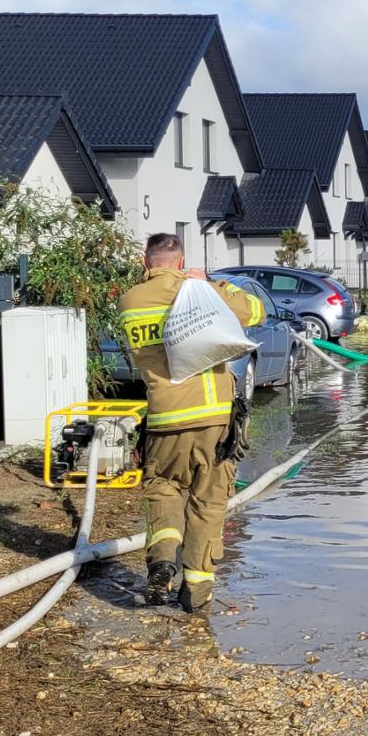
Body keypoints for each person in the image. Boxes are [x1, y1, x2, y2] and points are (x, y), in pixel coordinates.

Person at [118, 233, 263, 613]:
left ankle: (163, 557)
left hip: (164, 417)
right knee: (207, 505)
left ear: (144, 261)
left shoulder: (130, 301)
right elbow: (254, 311)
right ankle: (196, 598)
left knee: (163, 488)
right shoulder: (197, 290)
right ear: (181, 262)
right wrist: (212, 282)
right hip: (213, 419)